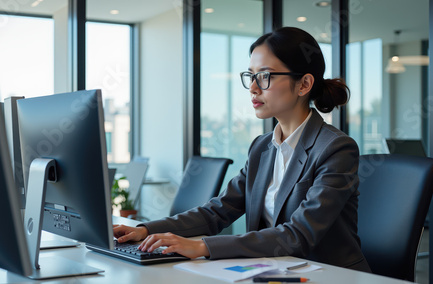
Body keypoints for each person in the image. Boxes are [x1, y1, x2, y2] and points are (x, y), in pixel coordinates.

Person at [113, 27, 371, 272]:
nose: (253, 88)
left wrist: (203, 246)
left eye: (266, 76)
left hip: (328, 275)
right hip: (271, 271)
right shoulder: (262, 147)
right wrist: (145, 230)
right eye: (251, 76)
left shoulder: (336, 149)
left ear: (304, 84)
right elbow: (217, 211)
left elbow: (299, 234)